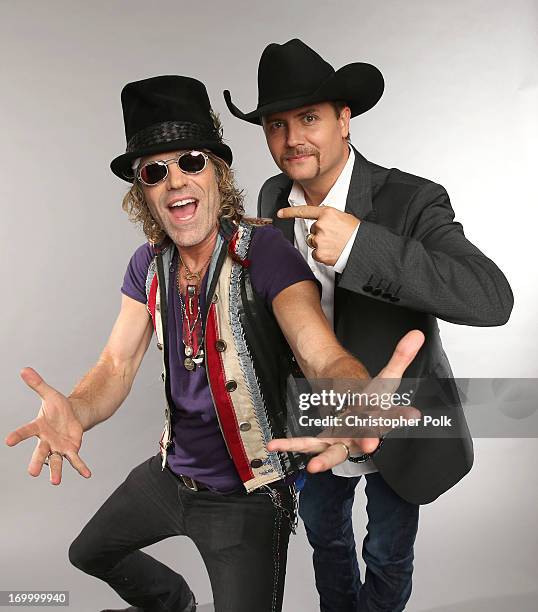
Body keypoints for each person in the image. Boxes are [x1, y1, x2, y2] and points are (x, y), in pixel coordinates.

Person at [5, 75, 423, 612]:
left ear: (218, 173)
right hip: (169, 474)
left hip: (245, 498)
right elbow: (116, 364)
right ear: (143, 192)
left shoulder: (266, 253)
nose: (176, 182)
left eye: (192, 162)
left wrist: (353, 396)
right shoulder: (148, 265)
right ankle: (175, 604)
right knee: (90, 552)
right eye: (155, 172)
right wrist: (78, 410)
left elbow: (319, 351)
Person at [224, 38, 514, 611]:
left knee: (385, 552)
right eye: (276, 125)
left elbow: (490, 298)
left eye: (309, 118)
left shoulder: (411, 200)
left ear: (344, 119)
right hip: (314, 415)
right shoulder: (272, 195)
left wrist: (360, 245)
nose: (292, 139)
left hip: (397, 416)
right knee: (325, 541)